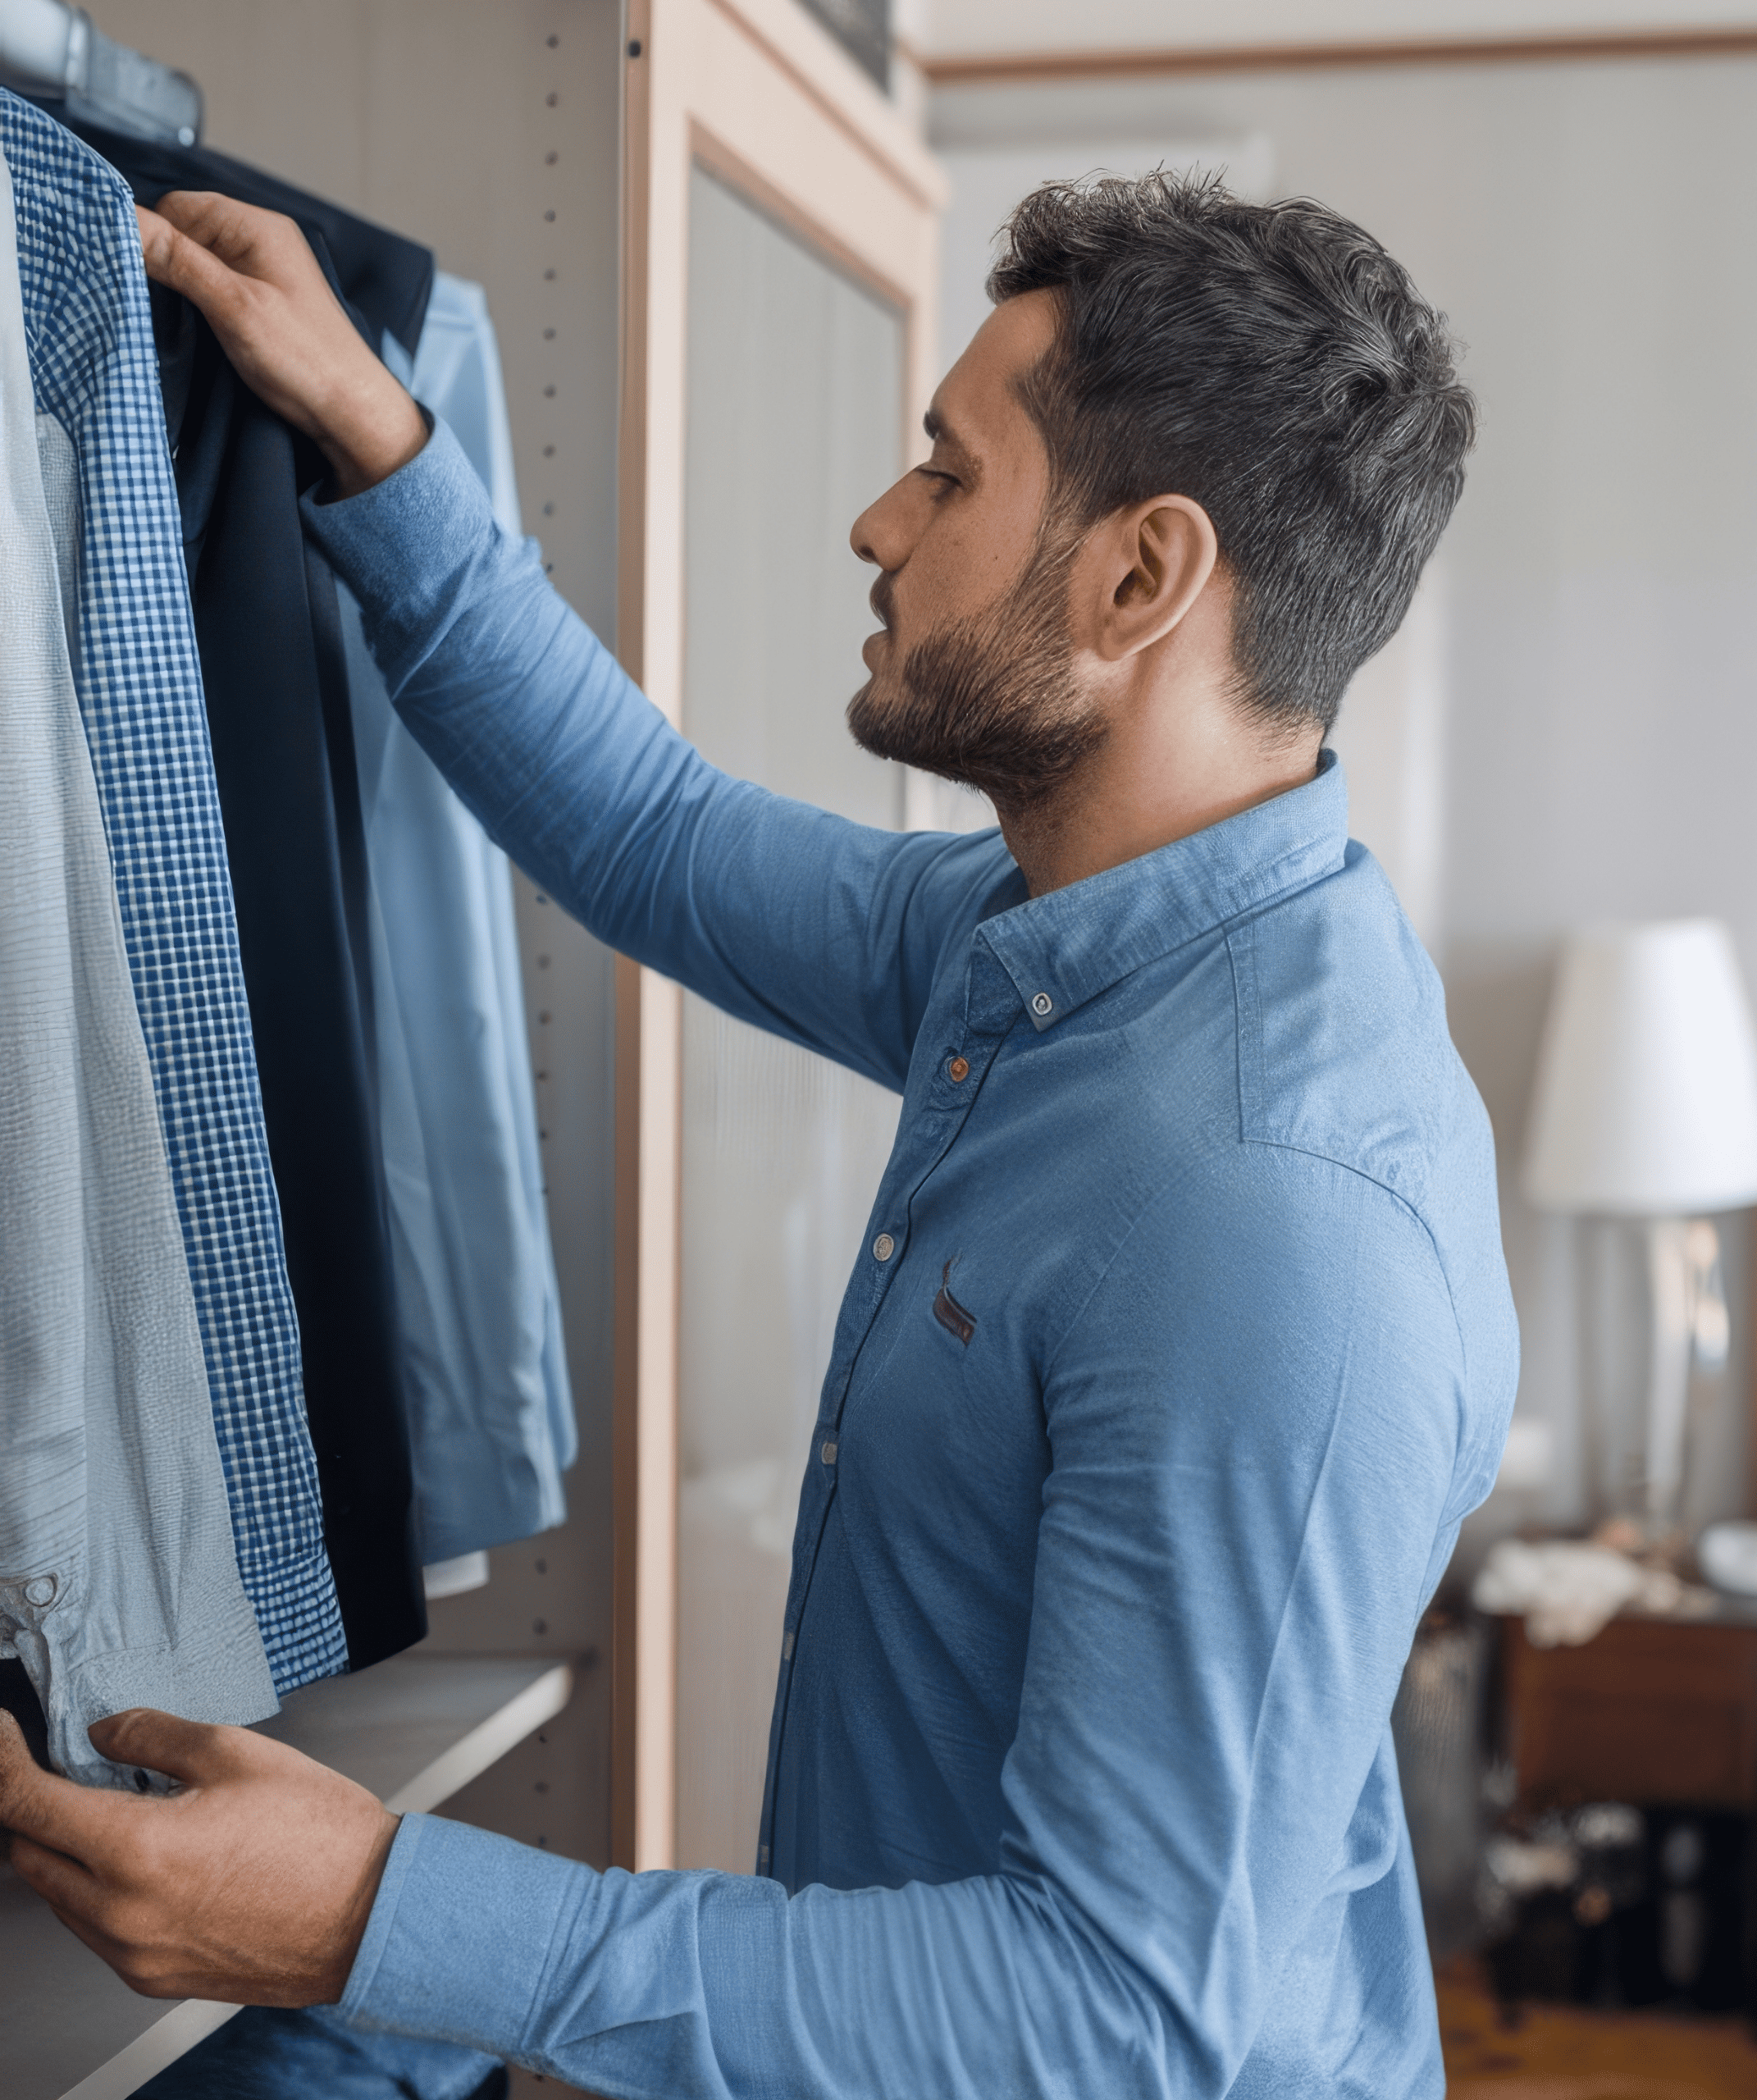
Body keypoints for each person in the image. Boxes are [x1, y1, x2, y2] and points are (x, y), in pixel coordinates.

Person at [0, 171, 1517, 2098]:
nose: (878, 525)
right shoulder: (1057, 946)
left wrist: (379, 1906)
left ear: (1140, 578)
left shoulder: (1269, 1213)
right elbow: (657, 836)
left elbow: (1113, 2020)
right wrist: (384, 442)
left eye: (947, 476)